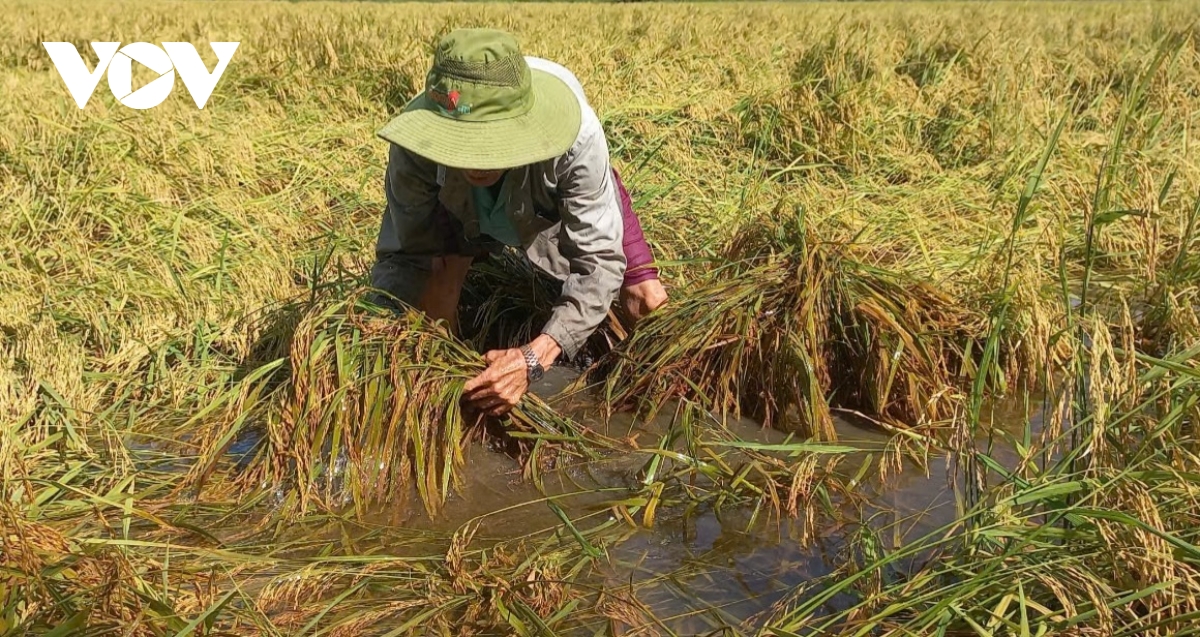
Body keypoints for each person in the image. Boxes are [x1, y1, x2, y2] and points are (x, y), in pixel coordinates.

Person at [370, 28, 668, 417]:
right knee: (435, 291)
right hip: (461, 212)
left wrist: (535, 357)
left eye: (490, 143)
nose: (475, 161)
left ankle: (654, 410)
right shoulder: (415, 152)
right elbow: (408, 255)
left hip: (548, 201)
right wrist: (378, 327)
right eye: (460, 143)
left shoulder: (577, 140)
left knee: (646, 300)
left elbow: (599, 264)